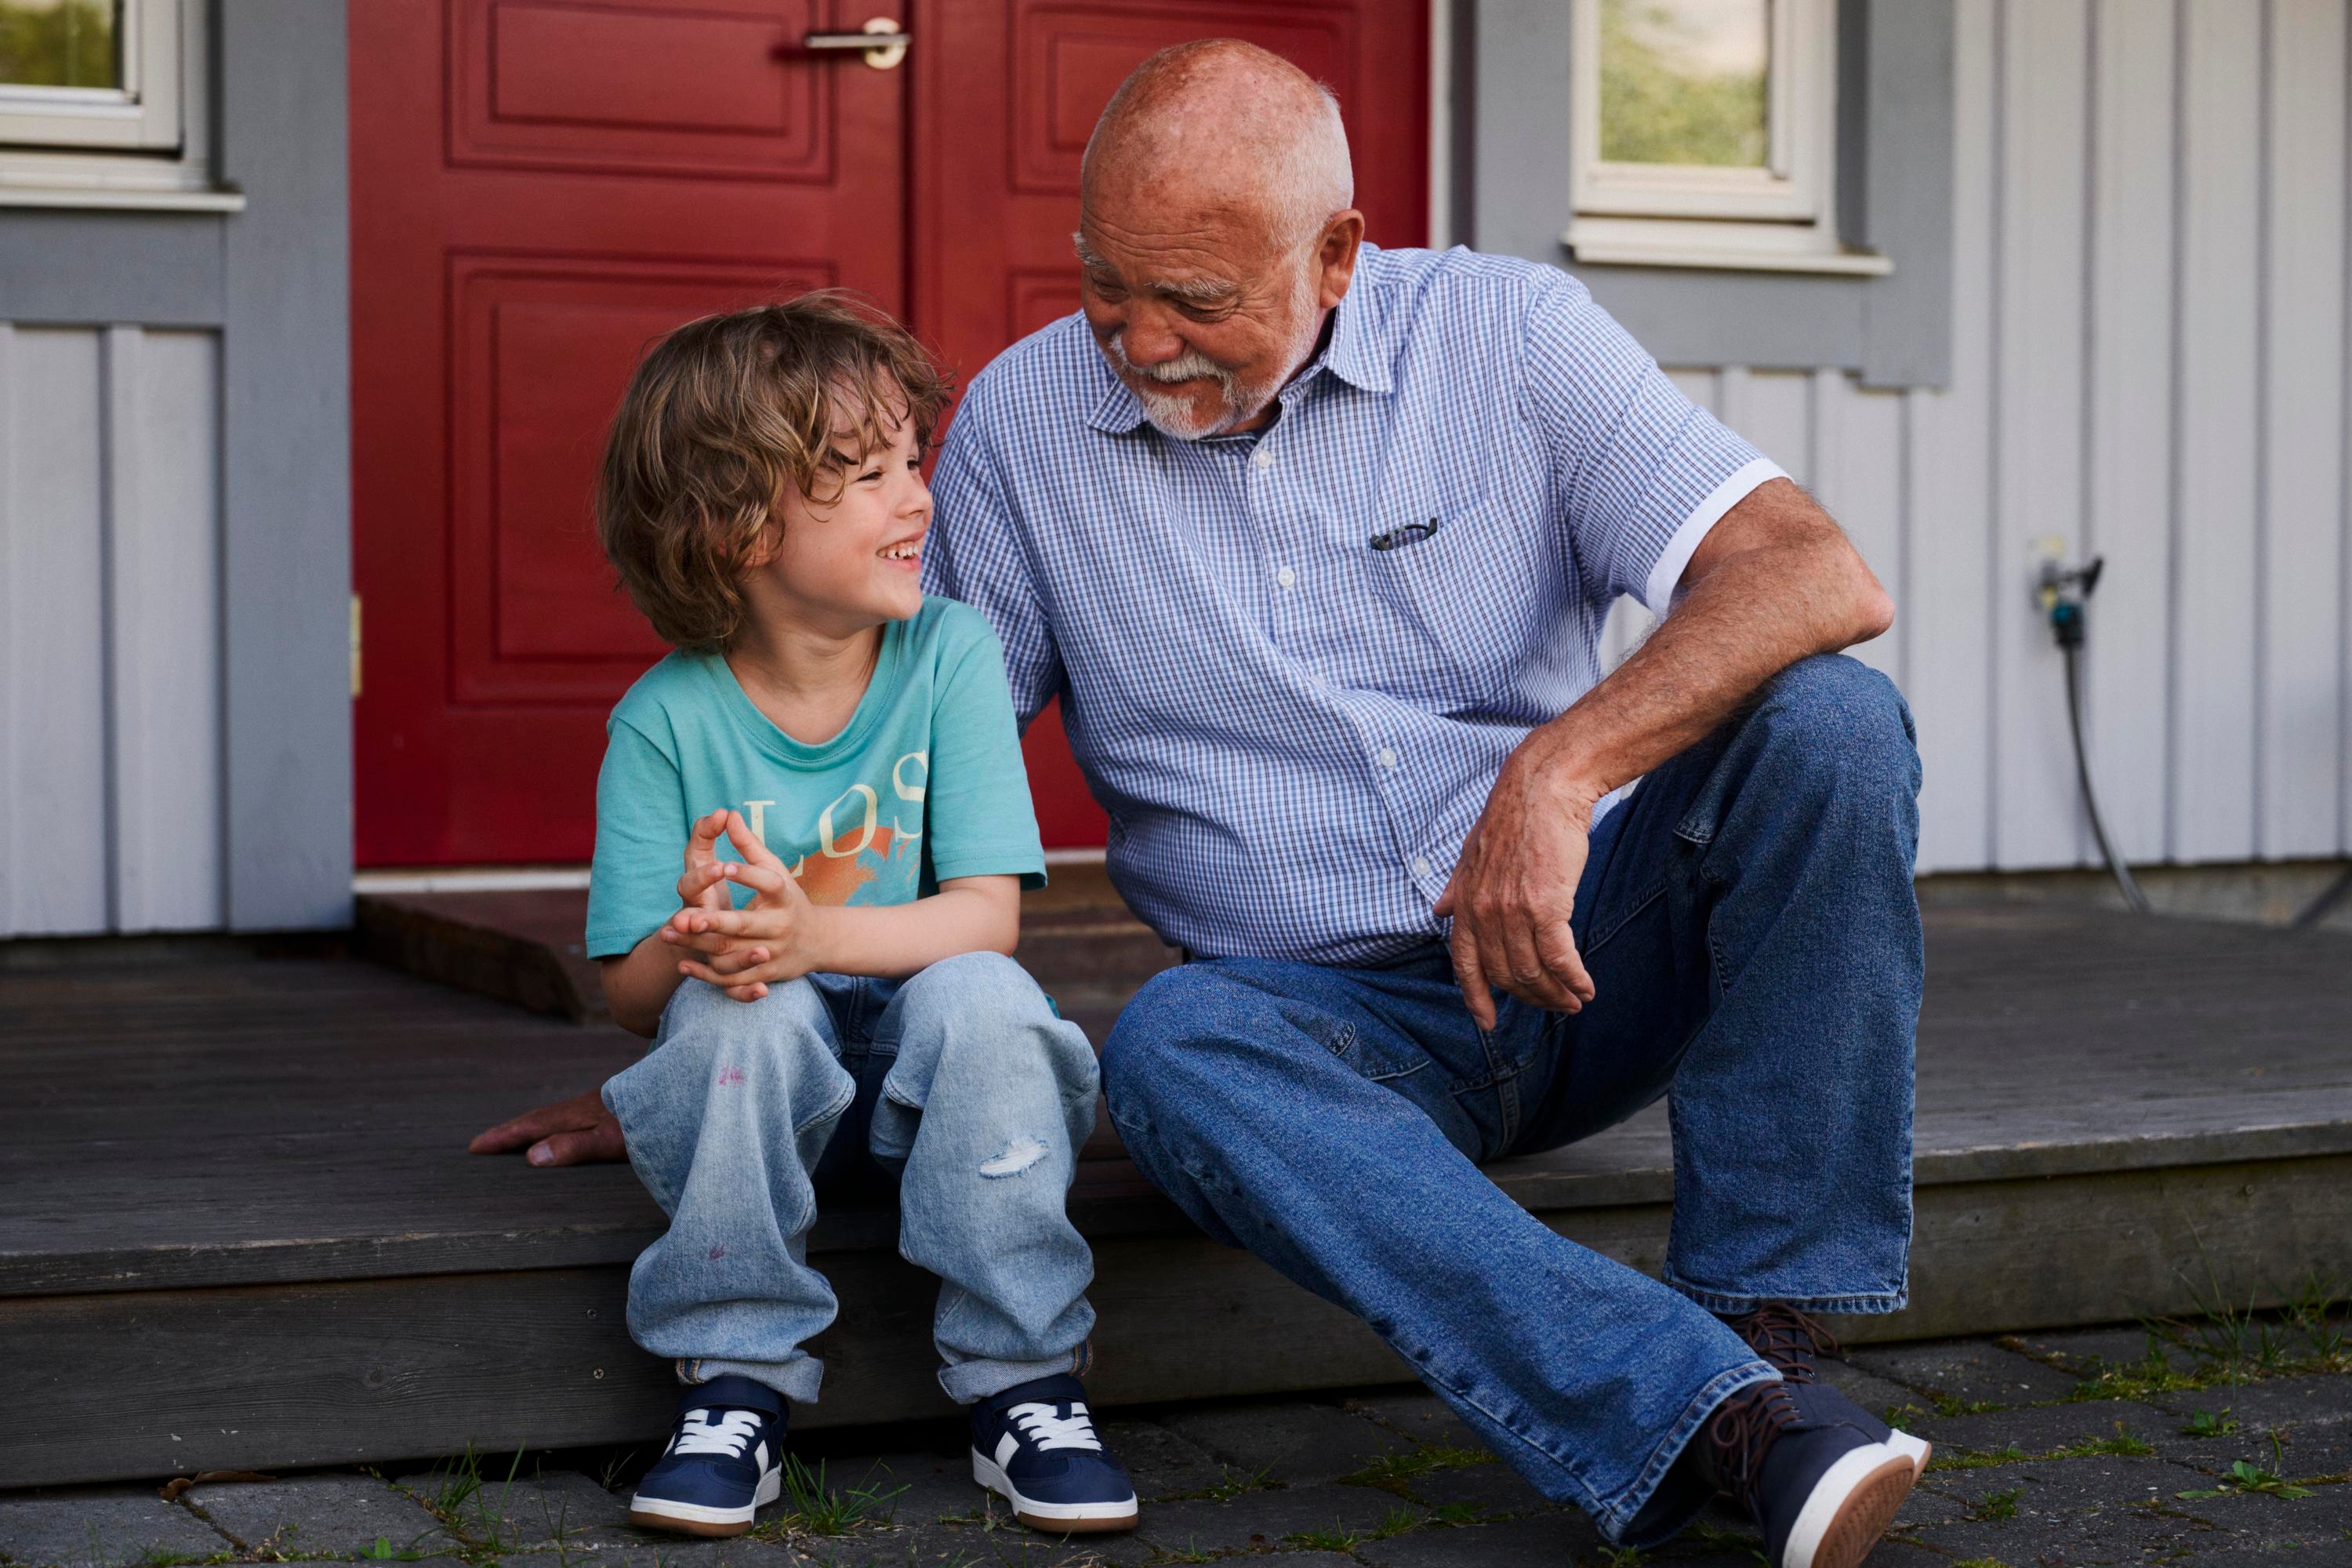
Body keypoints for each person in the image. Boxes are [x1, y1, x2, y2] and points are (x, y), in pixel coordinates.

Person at [481, 38, 1927, 1568]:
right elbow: (884, 763)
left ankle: (1762, 1325)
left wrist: (1557, 773)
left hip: (1577, 951)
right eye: (1109, 282)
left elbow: (1815, 574)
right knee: (1172, 1046)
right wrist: (734, 1046)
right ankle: (1730, 1422)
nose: (1140, 339)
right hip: (1304, 1031)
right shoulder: (1028, 432)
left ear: (1339, 255)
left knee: (1832, 720)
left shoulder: (1509, 339)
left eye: (1198, 300)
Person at [541, 297, 1138, 1539]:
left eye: (912, 461)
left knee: (988, 999)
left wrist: (810, 935)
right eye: (865, 477)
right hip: (763, 1112)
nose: (917, 499)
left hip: (944, 1098)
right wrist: (700, 933)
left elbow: (986, 921)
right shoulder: (665, 721)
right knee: (731, 1007)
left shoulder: (952, 657)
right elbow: (629, 999)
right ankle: (735, 1378)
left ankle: (1022, 1375)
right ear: (736, 527)